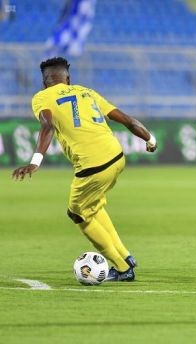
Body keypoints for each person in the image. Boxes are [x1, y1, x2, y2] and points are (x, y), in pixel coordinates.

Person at [12, 57, 157, 282]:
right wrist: (150, 138)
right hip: (117, 156)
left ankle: (121, 268)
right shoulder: (87, 92)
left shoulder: (41, 97)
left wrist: (35, 161)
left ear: (44, 82)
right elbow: (126, 120)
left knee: (77, 212)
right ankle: (126, 256)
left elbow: (47, 125)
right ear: (68, 79)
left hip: (93, 165)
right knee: (94, 205)